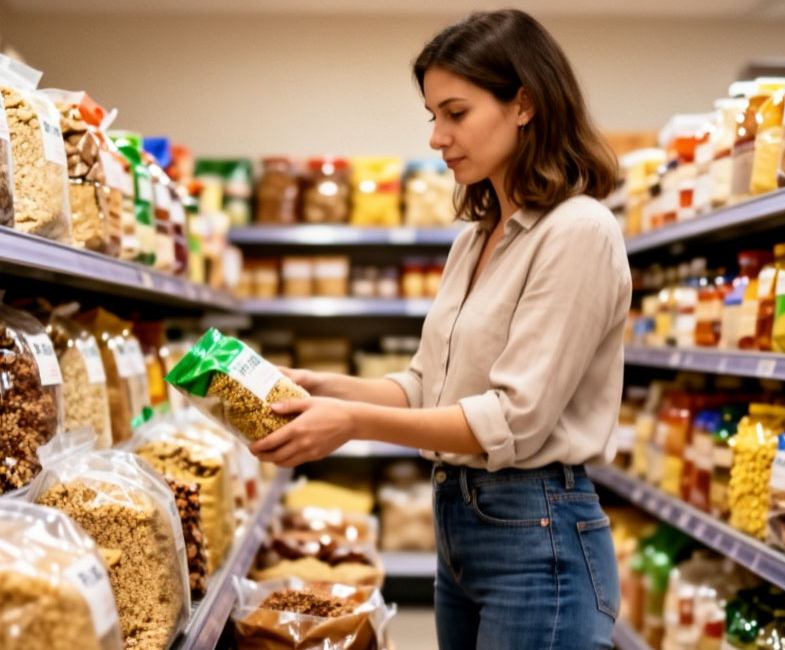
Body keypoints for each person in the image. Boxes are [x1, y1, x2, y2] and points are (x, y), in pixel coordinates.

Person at [248, 9, 630, 650]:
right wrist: (323, 388)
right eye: (433, 116)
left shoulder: (579, 231)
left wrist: (352, 424)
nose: (436, 137)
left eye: (456, 113)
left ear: (524, 104)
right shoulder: (473, 241)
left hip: (539, 537)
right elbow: (426, 386)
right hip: (460, 526)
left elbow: (512, 420)